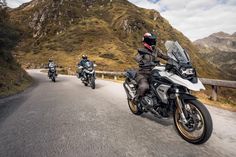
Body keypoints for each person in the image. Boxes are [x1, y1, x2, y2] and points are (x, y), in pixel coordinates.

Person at [135, 33, 169, 107]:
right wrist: (142, 60)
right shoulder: (142, 51)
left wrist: (173, 59)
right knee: (144, 86)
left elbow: (164, 56)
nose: (153, 42)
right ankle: (137, 99)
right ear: (147, 41)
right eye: (151, 40)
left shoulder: (156, 50)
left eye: (153, 40)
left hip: (155, 72)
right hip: (143, 73)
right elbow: (137, 58)